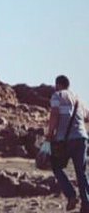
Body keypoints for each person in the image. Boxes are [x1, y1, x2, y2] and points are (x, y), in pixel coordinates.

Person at [47, 74, 89, 212]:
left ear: (58, 84)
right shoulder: (79, 99)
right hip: (82, 138)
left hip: (64, 140)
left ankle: (71, 195)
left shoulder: (57, 95)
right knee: (81, 172)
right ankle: (86, 204)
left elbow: (54, 114)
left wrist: (50, 134)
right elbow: (87, 116)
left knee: (56, 166)